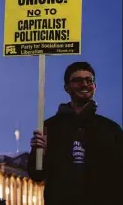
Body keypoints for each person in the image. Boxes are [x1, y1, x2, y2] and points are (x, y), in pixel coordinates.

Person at [28, 62, 123, 205]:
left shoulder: (111, 129)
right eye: (77, 80)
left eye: (89, 80)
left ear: (94, 87)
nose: (84, 84)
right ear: (66, 88)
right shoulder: (50, 127)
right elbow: (37, 175)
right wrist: (39, 152)